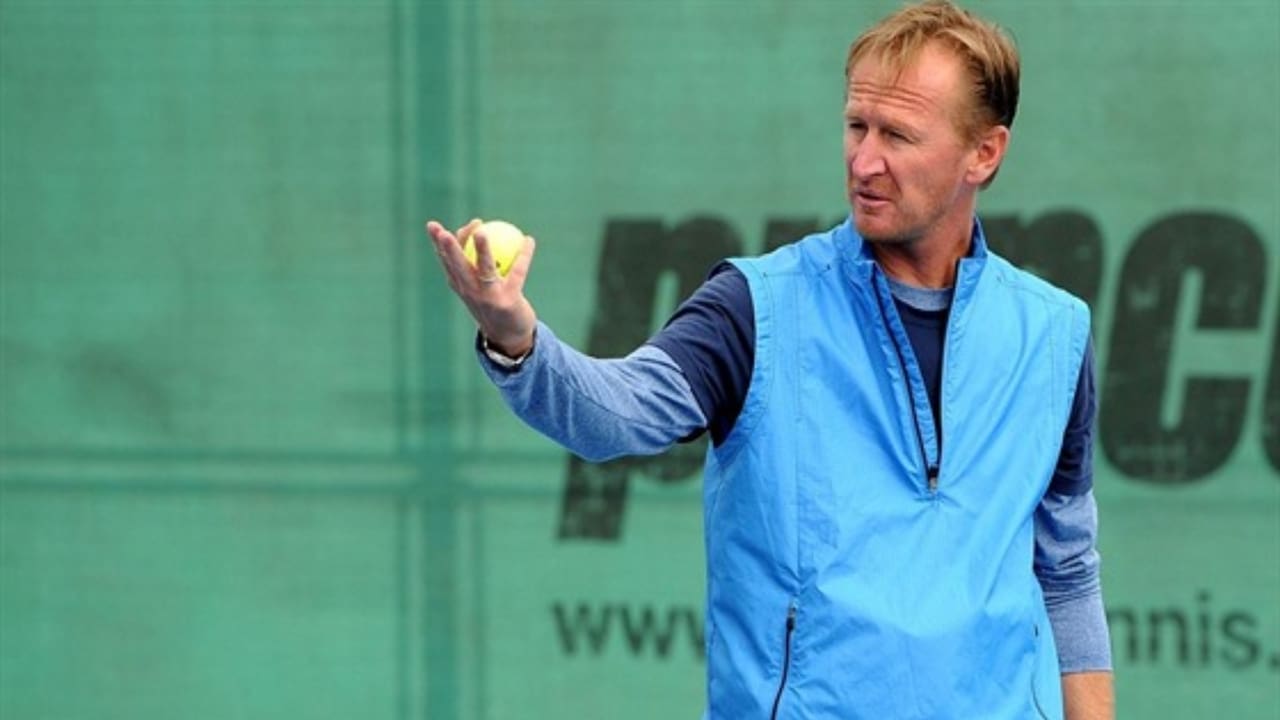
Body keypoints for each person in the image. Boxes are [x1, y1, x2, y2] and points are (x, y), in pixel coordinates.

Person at [426, 1, 1115, 717]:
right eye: (857, 126)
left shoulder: (1055, 333)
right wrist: (516, 337)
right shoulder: (754, 307)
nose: (864, 161)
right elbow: (615, 416)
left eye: (899, 135)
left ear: (985, 153)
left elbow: (1066, 571)